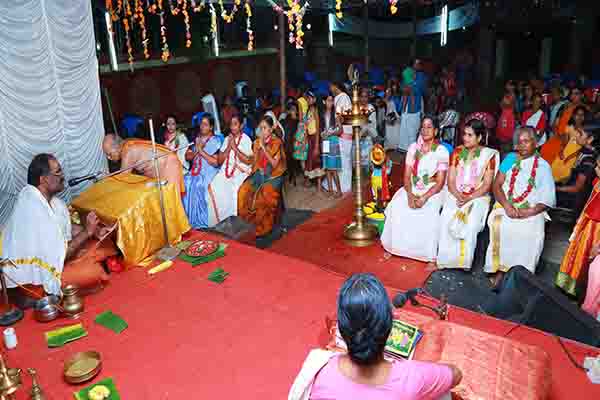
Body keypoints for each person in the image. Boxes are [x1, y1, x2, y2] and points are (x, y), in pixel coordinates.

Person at [291, 273, 461, 400]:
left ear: (341, 330)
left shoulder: (321, 369)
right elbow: (455, 375)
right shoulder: (412, 377)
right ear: (390, 326)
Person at [1, 154, 114, 297]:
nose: (63, 176)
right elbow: (60, 254)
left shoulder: (54, 203)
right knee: (92, 272)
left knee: (103, 245)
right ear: (43, 180)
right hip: (31, 283)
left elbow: (67, 229)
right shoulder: (32, 205)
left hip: (57, 260)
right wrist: (87, 232)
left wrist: (96, 231)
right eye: (58, 172)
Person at [484, 127, 556, 286]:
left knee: (532, 232)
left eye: (527, 141)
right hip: (506, 204)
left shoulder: (543, 167)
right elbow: (497, 185)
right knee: (500, 224)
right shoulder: (509, 159)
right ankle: (500, 270)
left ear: (535, 143)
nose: (522, 146)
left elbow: (547, 198)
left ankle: (522, 276)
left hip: (532, 209)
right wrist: (507, 206)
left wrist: (528, 212)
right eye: (519, 142)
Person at [381, 115, 449, 262]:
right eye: (423, 127)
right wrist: (410, 195)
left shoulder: (441, 151)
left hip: (433, 189)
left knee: (430, 210)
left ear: (436, 131)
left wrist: (424, 197)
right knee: (398, 205)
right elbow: (406, 176)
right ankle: (395, 247)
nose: (425, 130)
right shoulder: (413, 148)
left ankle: (427, 254)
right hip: (412, 185)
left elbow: (440, 181)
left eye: (429, 127)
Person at [437, 120, 499, 270]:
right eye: (464, 134)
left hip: (478, 196)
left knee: (470, 222)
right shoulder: (457, 152)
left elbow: (487, 185)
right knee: (447, 215)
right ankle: (445, 260)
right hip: (455, 193)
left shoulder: (488, 155)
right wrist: (458, 195)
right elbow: (450, 179)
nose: (465, 138)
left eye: (470, 135)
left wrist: (469, 198)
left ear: (479, 137)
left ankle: (463, 262)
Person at [556, 153, 600, 299]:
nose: (596, 169)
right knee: (576, 253)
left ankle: (581, 291)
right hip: (587, 222)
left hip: (596, 228)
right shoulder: (597, 181)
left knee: (586, 257)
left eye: (599, 167)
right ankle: (567, 286)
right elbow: (589, 204)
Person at [238, 116, 287, 236]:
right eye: (260, 128)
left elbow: (275, 164)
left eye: (265, 128)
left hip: (274, 175)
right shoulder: (256, 143)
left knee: (265, 192)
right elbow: (253, 161)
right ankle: (252, 221)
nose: (262, 131)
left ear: (271, 130)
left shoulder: (276, 142)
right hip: (259, 173)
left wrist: (264, 148)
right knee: (243, 190)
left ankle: (266, 226)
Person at [207, 114, 253, 226]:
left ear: (241, 125)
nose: (232, 127)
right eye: (231, 124)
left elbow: (248, 161)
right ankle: (220, 222)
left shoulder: (246, 139)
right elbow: (220, 161)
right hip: (226, 170)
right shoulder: (227, 139)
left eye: (235, 124)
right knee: (214, 186)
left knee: (233, 190)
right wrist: (229, 146)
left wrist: (234, 147)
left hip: (240, 171)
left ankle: (234, 222)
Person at [102, 134, 185, 194]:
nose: (109, 157)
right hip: (169, 164)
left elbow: (122, 179)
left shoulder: (128, 151)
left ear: (116, 147)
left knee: (170, 203)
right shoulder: (129, 142)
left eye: (109, 154)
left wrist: (106, 185)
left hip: (169, 167)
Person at [182, 114, 223, 229]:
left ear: (211, 127)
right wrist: (197, 149)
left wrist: (201, 150)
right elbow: (187, 157)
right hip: (194, 171)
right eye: (201, 124)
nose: (202, 127)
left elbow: (215, 162)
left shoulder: (216, 141)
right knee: (185, 181)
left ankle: (202, 222)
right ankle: (188, 220)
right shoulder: (196, 139)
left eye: (205, 124)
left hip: (209, 171)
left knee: (198, 184)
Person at [556, 126, 598, 215]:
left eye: (580, 134)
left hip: (572, 200)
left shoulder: (589, 160)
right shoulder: (583, 151)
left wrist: (555, 188)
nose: (576, 136)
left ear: (590, 139)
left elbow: (577, 188)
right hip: (569, 191)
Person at [541, 87, 585, 164]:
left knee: (559, 153)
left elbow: (580, 128)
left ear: (581, 95)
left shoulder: (583, 109)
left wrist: (566, 138)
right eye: (572, 94)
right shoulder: (564, 106)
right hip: (558, 136)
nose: (574, 96)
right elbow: (555, 124)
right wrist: (557, 134)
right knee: (545, 149)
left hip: (572, 138)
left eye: (576, 94)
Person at [550, 105, 587, 183]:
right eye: (577, 114)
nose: (579, 117)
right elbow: (565, 141)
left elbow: (582, 149)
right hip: (565, 153)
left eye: (582, 115)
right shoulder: (569, 127)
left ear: (584, 117)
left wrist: (570, 157)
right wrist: (561, 151)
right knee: (554, 170)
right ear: (573, 116)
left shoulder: (585, 132)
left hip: (574, 157)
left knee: (564, 176)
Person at [330, 82, 353, 193]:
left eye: (331, 86)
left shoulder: (343, 97)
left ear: (335, 86)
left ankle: (344, 186)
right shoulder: (340, 97)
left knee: (344, 160)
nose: (330, 89)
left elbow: (341, 116)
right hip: (343, 131)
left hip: (344, 132)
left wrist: (337, 128)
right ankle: (340, 184)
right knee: (342, 160)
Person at [321, 94, 343, 197]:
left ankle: (339, 191)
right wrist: (323, 134)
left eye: (332, 101)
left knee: (333, 168)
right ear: (324, 102)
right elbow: (322, 130)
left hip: (333, 142)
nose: (331, 103)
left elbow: (340, 130)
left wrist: (331, 133)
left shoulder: (336, 115)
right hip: (325, 142)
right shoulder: (323, 114)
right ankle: (330, 190)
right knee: (327, 167)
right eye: (329, 101)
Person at [302, 91, 325, 186]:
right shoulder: (308, 111)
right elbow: (306, 127)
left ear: (314, 99)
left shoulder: (315, 110)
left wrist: (316, 145)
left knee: (316, 161)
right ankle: (310, 181)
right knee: (310, 160)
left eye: (310, 98)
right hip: (310, 138)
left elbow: (318, 126)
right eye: (307, 98)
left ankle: (319, 185)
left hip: (315, 137)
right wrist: (305, 139)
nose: (308, 100)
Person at [397, 84, 424, 152]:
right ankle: (404, 149)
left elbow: (413, 109)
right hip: (406, 117)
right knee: (404, 134)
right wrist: (405, 96)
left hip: (413, 117)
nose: (403, 89)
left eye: (405, 87)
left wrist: (410, 94)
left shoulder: (417, 95)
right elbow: (401, 109)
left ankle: (412, 151)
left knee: (412, 135)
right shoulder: (404, 96)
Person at [283, 102, 301, 185]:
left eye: (294, 109)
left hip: (296, 141)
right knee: (289, 159)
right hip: (288, 142)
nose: (293, 111)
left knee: (295, 160)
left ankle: (294, 175)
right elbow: (285, 132)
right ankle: (291, 175)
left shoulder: (298, 120)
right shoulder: (286, 119)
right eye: (291, 110)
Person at [383, 87, 402, 151]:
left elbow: (396, 111)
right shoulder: (383, 101)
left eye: (390, 92)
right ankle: (388, 146)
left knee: (396, 128)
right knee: (388, 131)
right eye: (387, 92)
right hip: (386, 119)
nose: (389, 93)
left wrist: (397, 118)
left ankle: (395, 146)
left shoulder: (393, 101)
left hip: (393, 118)